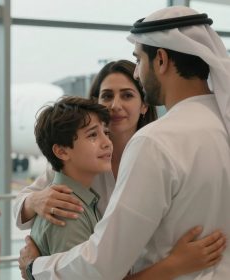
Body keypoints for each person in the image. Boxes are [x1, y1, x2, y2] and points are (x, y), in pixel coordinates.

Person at [19, 6, 230, 280]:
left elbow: (103, 265)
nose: (139, 75)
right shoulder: (223, 124)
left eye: (139, 60)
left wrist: (36, 268)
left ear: (162, 60)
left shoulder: (155, 142)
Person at [13, 60, 157, 229]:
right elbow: (20, 209)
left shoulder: (156, 158)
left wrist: (40, 257)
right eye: (107, 96)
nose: (115, 105)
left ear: (144, 105)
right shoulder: (80, 160)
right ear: (96, 102)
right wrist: (34, 201)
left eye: (127, 95)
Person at [30, 96, 112, 256]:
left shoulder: (83, 199)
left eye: (106, 132)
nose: (107, 142)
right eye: (93, 135)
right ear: (62, 151)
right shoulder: (68, 211)